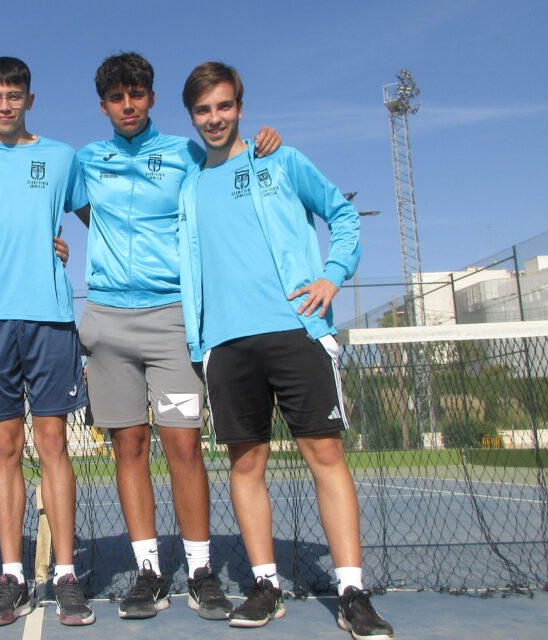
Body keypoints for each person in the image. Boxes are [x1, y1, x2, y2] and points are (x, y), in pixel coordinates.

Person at [0, 52, 280, 621]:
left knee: (182, 444)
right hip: (106, 321)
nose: (127, 105)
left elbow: (231, 167)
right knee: (127, 446)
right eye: (116, 97)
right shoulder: (85, 160)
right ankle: (150, 571)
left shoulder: (184, 153)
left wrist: (261, 146)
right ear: (103, 105)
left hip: (172, 318)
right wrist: (52, 243)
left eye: (137, 95)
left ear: (151, 99)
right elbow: (65, 213)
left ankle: (201, 569)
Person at [176, 61, 394, 639]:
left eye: (224, 106)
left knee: (325, 455)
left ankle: (351, 591)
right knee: (246, 464)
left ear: (240, 107)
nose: (215, 118)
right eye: (203, 109)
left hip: (296, 332)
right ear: (192, 116)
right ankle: (265, 583)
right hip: (225, 345)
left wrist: (332, 275)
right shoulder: (191, 184)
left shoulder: (281, 159)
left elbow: (343, 216)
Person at [0, 56, 94, 627]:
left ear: (30, 99)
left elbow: (96, 220)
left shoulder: (61, 158)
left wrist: (68, 252)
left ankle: (66, 575)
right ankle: (11, 574)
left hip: (51, 317)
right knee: (4, 448)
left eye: (14, 94)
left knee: (53, 442)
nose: (5, 104)